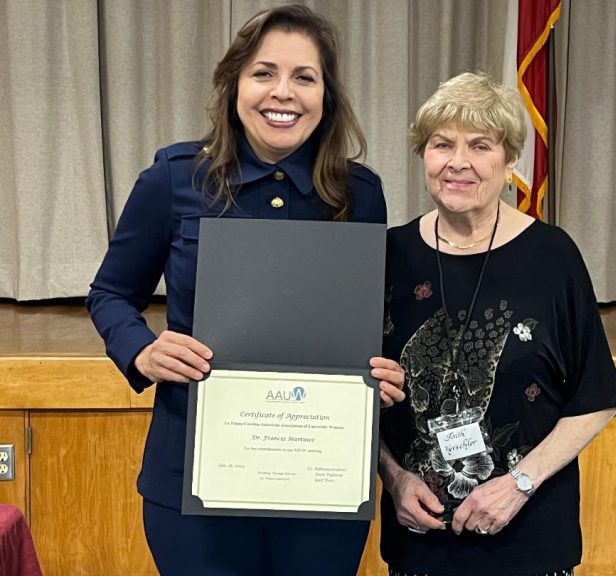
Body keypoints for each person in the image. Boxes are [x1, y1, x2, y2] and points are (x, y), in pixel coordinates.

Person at [86, 5, 404, 575]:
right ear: (234, 83)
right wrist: (141, 348)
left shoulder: (361, 195)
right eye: (264, 73)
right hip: (193, 482)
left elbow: (375, 319)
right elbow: (110, 294)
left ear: (325, 94)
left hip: (322, 482)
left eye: (304, 77)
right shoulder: (173, 180)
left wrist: (381, 372)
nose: (283, 93)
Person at [377, 72, 616, 576]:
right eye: (441, 144)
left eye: (480, 145)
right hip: (420, 540)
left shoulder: (552, 255)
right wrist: (395, 478)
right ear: (423, 155)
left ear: (510, 161)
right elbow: (359, 393)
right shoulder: (389, 254)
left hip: (529, 535)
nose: (458, 162)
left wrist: (519, 484)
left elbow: (596, 396)